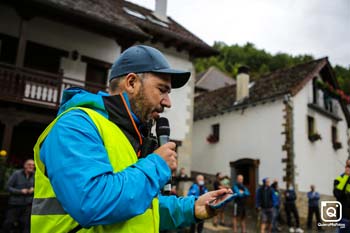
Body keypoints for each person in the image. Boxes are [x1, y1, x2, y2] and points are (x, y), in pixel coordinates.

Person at [31, 45, 232, 232]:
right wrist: (157, 165)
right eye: (162, 90)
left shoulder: (127, 135)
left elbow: (141, 209)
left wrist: (192, 208)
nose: (168, 103)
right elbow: (91, 201)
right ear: (132, 83)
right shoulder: (76, 124)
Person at [1, 159, 34, 233]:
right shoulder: (17, 174)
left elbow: (39, 188)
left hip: (27, 204)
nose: (31, 166)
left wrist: (34, 189)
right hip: (15, 204)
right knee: (8, 223)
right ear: (25, 165)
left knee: (25, 225)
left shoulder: (35, 175)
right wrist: (20, 191)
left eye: (33, 165)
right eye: (29, 164)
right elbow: (7, 187)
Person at [333, 159, 350, 232]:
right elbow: (337, 194)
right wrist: (346, 177)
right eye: (349, 166)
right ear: (346, 167)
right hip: (344, 217)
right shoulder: (339, 179)